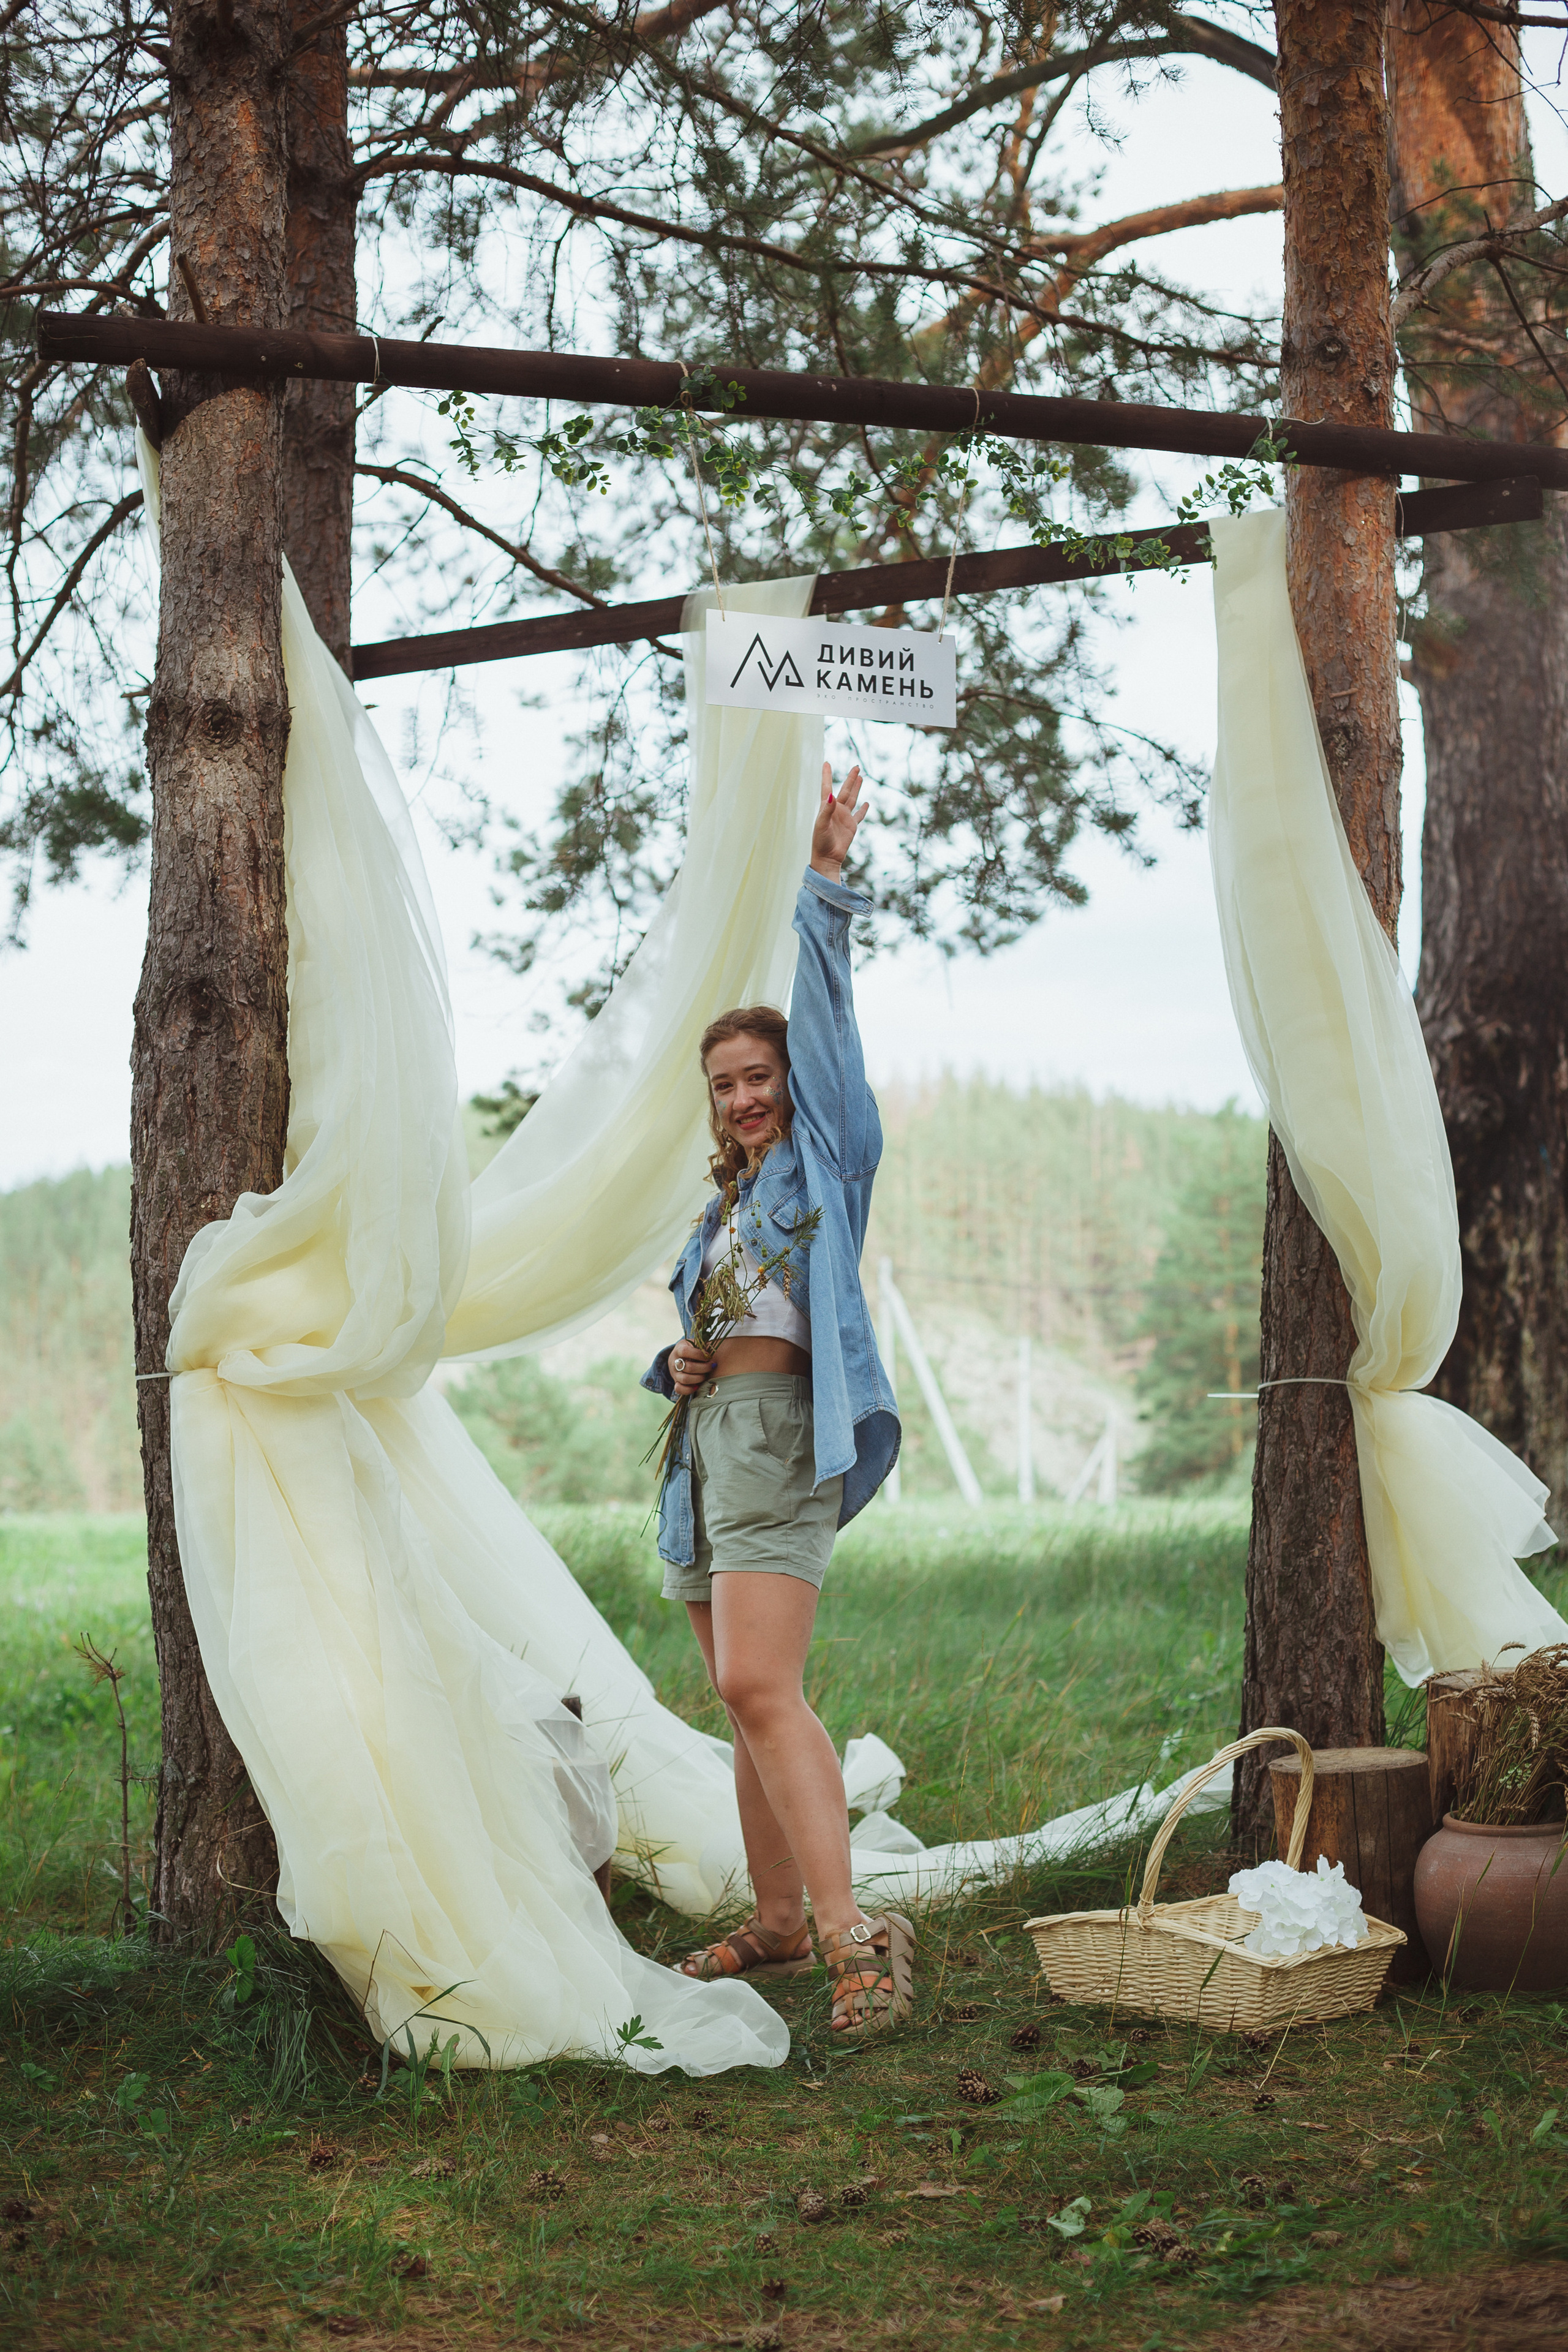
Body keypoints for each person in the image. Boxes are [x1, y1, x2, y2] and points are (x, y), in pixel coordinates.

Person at [641, 762, 910, 2035]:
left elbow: (831, 1030)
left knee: (762, 1687)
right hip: (706, 1450)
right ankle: (778, 1922)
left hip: (784, 1443)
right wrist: (680, 1364)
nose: (744, 1097)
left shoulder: (824, 1162)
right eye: (724, 1086)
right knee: (736, 1699)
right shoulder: (722, 1214)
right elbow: (715, 1333)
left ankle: (854, 1941)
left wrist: (820, 877)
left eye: (756, 1076)